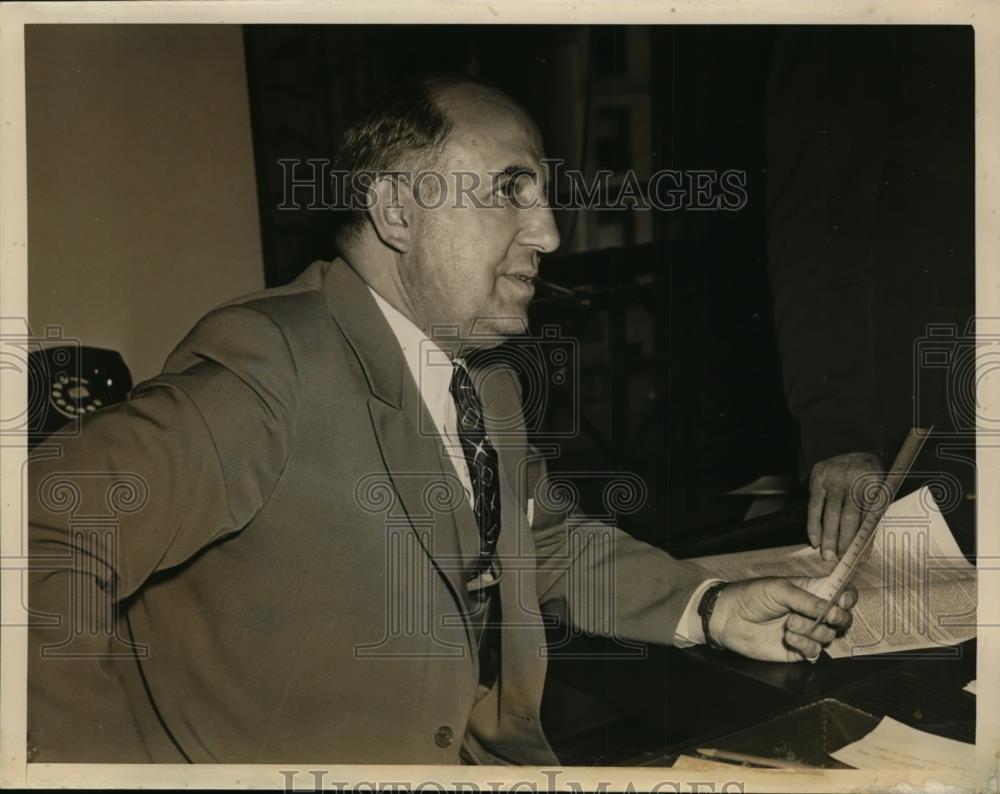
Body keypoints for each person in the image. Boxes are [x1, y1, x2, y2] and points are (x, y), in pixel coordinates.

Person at [27, 73, 855, 765]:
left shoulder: (482, 380)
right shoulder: (270, 363)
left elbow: (544, 542)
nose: (550, 232)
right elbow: (38, 537)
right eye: (510, 191)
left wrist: (711, 605)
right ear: (396, 211)